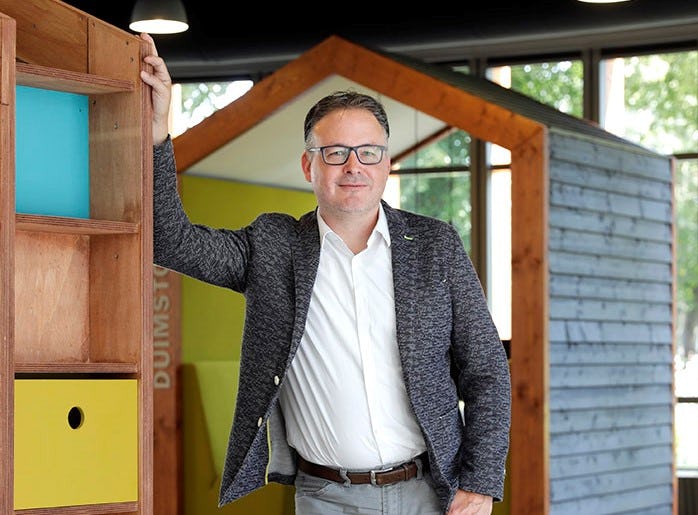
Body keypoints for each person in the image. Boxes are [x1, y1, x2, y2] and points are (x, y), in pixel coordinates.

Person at [140, 32, 511, 515]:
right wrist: (157, 133)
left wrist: (479, 482)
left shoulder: (435, 246)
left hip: (430, 493)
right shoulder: (273, 247)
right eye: (335, 152)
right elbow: (170, 240)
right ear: (308, 166)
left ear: (386, 163)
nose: (353, 166)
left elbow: (486, 370)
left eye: (368, 151)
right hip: (324, 498)